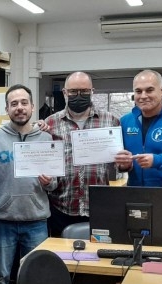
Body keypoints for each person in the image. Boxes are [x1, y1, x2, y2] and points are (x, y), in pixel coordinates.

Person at [0, 84, 57, 284]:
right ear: (7, 109)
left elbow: (54, 184)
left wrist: (48, 182)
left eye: (24, 103)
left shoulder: (45, 138)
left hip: (36, 220)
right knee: (0, 276)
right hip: (3, 220)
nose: (19, 107)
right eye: (13, 104)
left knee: (35, 274)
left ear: (32, 107)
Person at [43, 71, 121, 236]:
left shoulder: (111, 121)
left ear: (92, 91)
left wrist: (124, 163)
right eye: (73, 91)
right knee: (61, 259)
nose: (79, 95)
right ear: (65, 93)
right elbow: (48, 163)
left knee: (96, 258)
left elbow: (119, 165)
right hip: (61, 207)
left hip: (98, 207)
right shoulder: (50, 123)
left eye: (84, 91)